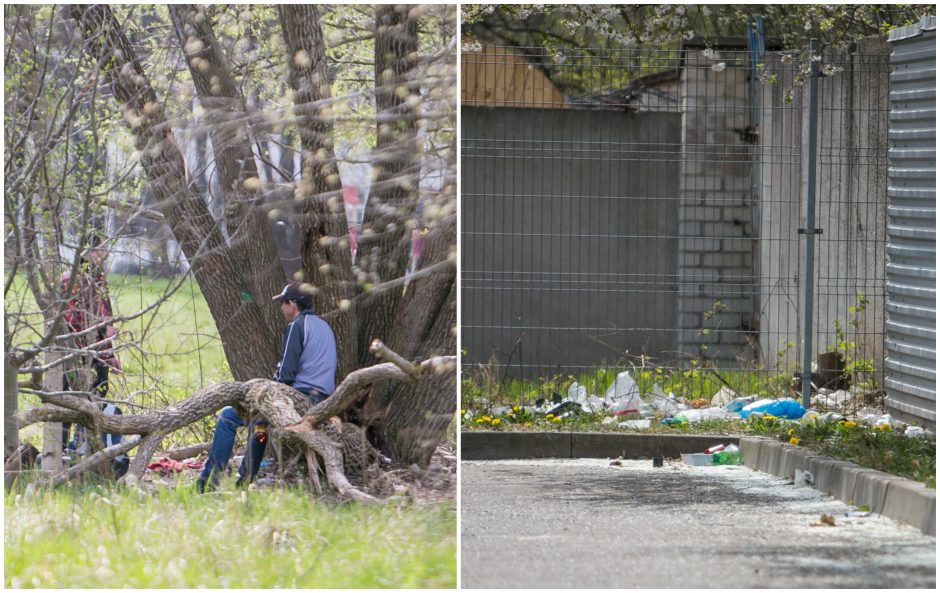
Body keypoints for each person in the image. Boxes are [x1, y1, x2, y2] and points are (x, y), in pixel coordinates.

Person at [197, 282, 337, 492]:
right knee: (259, 423)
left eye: (283, 303)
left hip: (300, 397)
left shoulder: (296, 326)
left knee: (228, 415)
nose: (281, 308)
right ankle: (244, 481)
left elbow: (285, 374)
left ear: (293, 304)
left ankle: (208, 482)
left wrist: (265, 394)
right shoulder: (324, 327)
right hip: (323, 400)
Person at [59, 235, 125, 474]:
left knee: (94, 398)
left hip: (93, 353)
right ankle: (68, 450)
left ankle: (83, 448)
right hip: (77, 354)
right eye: (102, 249)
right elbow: (78, 322)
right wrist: (103, 340)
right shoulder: (75, 279)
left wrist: (110, 354)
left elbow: (104, 318)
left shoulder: (95, 277)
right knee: (73, 401)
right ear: (91, 250)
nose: (105, 254)